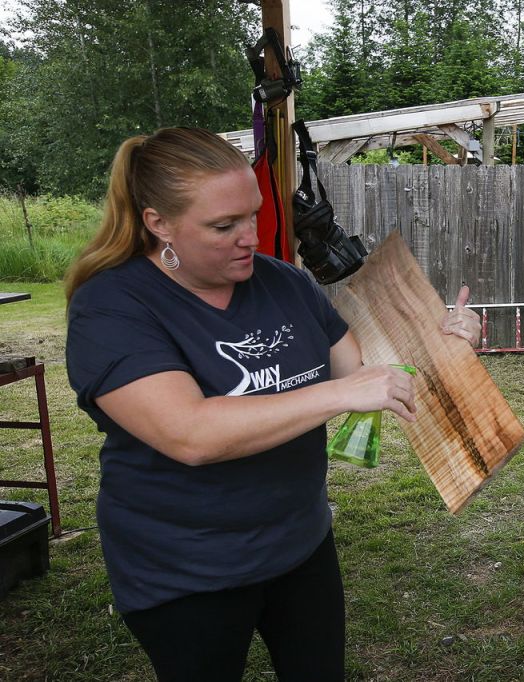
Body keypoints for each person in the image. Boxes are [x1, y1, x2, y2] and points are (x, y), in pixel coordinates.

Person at [64, 127, 481, 681]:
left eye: (253, 215)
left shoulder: (284, 283)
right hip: (187, 569)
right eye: (223, 225)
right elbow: (190, 434)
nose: (251, 238)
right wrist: (337, 395)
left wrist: (447, 344)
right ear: (157, 222)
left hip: (299, 545)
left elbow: (362, 374)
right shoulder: (113, 307)